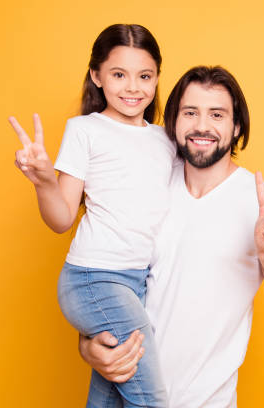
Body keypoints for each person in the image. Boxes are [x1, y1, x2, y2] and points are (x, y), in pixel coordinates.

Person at [79, 66, 264, 407]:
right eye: (190, 113)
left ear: (236, 127)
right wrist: (88, 345)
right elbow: (102, 276)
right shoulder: (147, 183)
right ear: (174, 121)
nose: (202, 126)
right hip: (121, 397)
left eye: (217, 115)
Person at [9, 24, 173, 407]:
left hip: (140, 284)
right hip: (93, 278)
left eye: (144, 76)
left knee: (112, 388)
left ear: (156, 79)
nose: (133, 88)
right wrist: (45, 182)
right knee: (150, 398)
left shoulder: (165, 140)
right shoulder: (85, 130)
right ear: (97, 76)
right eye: (119, 75)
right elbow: (62, 218)